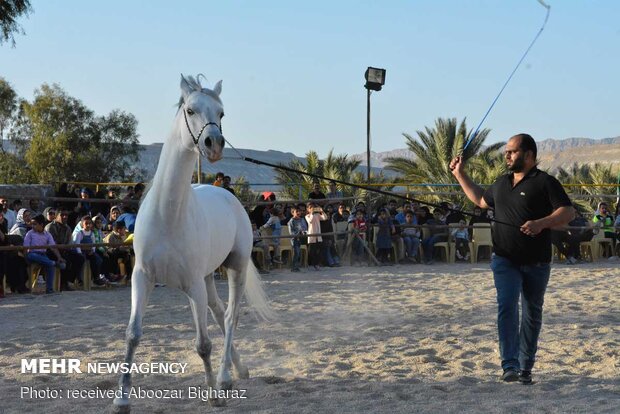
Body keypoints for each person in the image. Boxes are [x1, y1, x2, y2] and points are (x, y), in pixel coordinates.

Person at [450, 133, 574, 384]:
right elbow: (480, 200)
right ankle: (509, 365)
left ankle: (526, 366)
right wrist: (459, 174)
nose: (507, 155)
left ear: (529, 155)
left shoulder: (544, 182)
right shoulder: (501, 183)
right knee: (506, 306)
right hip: (504, 259)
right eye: (506, 151)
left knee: (532, 313)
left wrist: (542, 223)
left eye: (513, 151)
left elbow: (568, 211)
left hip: (537, 261)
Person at [23, 215, 67, 294]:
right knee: (37, 257)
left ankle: (49, 289)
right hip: (32, 254)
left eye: (35, 224)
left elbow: (53, 247)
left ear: (41, 224)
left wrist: (59, 257)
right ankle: (53, 262)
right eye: (32, 224)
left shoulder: (47, 234)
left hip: (43, 255)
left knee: (50, 265)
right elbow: (25, 247)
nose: (32, 226)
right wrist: (25, 258)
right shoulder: (29, 233)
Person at [45, 208, 85, 291]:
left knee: (80, 258)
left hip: (64, 250)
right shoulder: (50, 227)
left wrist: (66, 247)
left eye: (66, 215)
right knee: (66, 260)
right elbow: (52, 243)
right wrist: (63, 247)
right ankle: (63, 284)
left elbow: (69, 243)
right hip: (51, 251)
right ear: (56, 216)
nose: (64, 217)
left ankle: (69, 280)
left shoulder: (68, 228)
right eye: (62, 215)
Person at [305, 202, 327, 270]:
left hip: (318, 235)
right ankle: (312, 264)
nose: (312, 208)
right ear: (308, 209)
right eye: (310, 207)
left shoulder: (317, 215)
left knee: (319, 250)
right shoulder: (307, 216)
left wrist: (322, 211)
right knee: (311, 251)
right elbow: (310, 221)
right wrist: (311, 213)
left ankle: (317, 264)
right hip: (311, 235)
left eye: (313, 207)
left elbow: (325, 218)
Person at [287, 206, 306, 272]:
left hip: (300, 238)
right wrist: (299, 232)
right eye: (296, 211)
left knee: (298, 253)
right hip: (294, 239)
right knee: (296, 252)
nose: (298, 213)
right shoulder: (291, 221)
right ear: (292, 213)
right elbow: (291, 233)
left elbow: (304, 228)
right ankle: (294, 267)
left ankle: (296, 266)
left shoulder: (301, 219)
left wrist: (303, 232)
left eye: (299, 211)